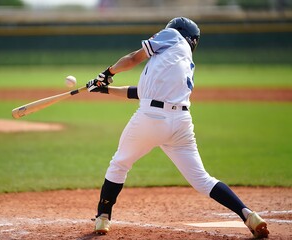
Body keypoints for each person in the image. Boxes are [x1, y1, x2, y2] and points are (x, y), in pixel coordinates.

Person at [86, 17, 269, 238]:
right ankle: (249, 215)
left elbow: (134, 58)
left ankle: (103, 218)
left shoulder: (172, 36)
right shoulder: (183, 60)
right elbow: (140, 92)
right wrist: (103, 89)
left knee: (119, 164)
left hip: (151, 119)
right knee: (202, 180)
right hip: (181, 123)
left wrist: (108, 73)